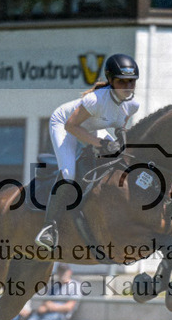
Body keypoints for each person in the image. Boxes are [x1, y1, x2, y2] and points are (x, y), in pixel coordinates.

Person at [35, 53, 140, 249]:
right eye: (122, 82)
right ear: (110, 80)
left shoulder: (133, 105)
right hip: (64, 124)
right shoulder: (95, 99)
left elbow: (120, 127)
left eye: (132, 82)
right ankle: (48, 227)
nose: (128, 87)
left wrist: (118, 143)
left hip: (92, 126)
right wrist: (100, 144)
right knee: (68, 173)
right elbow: (71, 127)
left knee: (123, 161)